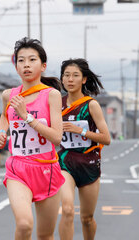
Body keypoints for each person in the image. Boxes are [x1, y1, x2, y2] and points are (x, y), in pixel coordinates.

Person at [0, 37, 65, 240]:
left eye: (32, 60)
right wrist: (2, 133)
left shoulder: (51, 95)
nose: (26, 64)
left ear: (43, 66)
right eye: (21, 60)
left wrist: (27, 117)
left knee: (45, 235)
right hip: (18, 169)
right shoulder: (9, 95)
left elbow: (57, 138)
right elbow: (4, 116)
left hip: (47, 169)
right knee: (25, 225)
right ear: (16, 66)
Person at [57, 58, 111, 240]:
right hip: (65, 162)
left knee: (87, 218)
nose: (70, 79)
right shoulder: (56, 104)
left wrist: (81, 130)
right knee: (67, 209)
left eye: (75, 75)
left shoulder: (91, 105)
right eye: (66, 75)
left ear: (84, 79)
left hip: (88, 164)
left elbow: (106, 138)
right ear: (62, 79)